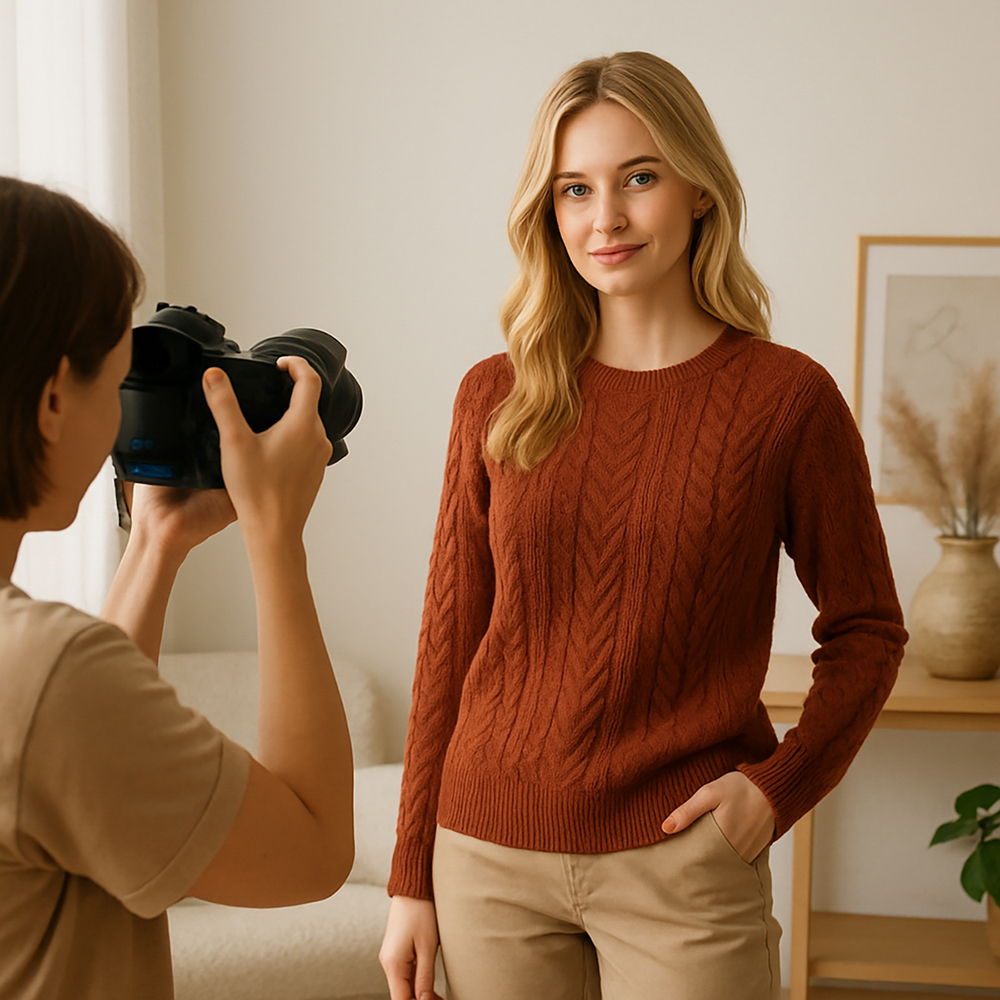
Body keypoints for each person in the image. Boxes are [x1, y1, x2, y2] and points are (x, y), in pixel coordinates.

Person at [379, 51, 907, 1000]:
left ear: (699, 189)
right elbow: (449, 641)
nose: (604, 218)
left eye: (638, 178)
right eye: (574, 189)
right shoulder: (496, 396)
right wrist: (409, 873)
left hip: (681, 864)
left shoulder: (787, 400)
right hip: (487, 854)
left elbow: (867, 630)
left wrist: (771, 790)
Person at [0, 176, 355, 999]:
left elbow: (79, 769)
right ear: (56, 398)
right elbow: (312, 850)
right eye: (118, 378)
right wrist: (276, 538)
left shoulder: (41, 678)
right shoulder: (44, 676)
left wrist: (157, 540)